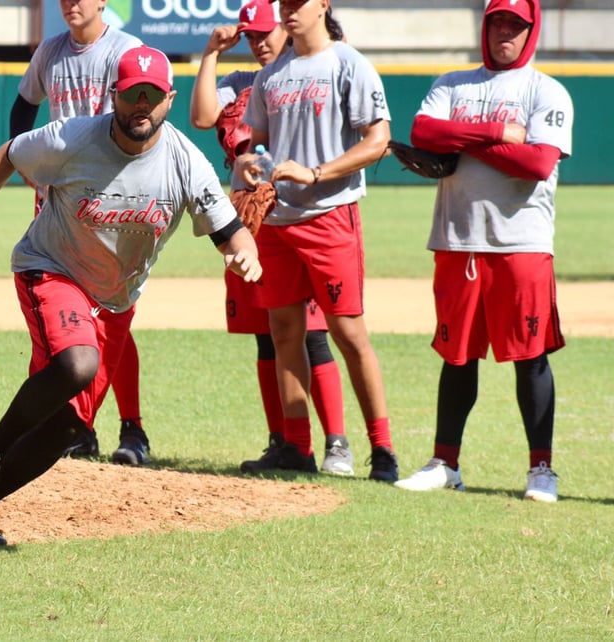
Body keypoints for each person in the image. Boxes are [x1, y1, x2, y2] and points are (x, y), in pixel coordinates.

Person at [0, 45, 262, 545]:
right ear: (113, 95)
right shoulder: (73, 137)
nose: (142, 104)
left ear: (169, 100)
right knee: (78, 365)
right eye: (132, 93)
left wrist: (245, 251)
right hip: (51, 269)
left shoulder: (185, 161)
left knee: (69, 429)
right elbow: (7, 156)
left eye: (153, 95)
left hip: (115, 301)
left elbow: (231, 229)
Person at [394, 0, 572, 502]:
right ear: (485, 27)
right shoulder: (452, 83)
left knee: (531, 357)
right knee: (457, 356)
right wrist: (494, 134)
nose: (505, 33)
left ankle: (542, 470)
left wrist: (462, 139)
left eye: (515, 25)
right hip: (457, 239)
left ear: (530, 30)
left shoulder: (546, 90)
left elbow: (537, 162)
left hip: (522, 242)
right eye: (497, 22)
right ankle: (444, 462)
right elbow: (423, 132)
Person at [233, 0, 399, 481]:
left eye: (297, 2)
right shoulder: (271, 76)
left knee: (348, 334)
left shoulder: (349, 63)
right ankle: (296, 446)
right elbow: (257, 141)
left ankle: (382, 450)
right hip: (279, 221)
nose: (288, 10)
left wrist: (316, 173)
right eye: (282, 3)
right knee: (284, 333)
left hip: (330, 217)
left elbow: (378, 140)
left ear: (323, 4)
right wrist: (248, 162)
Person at [190, 0, 352, 476]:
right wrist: (209, 55)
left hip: (301, 216)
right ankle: (284, 440)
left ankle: (337, 442)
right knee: (267, 336)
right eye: (251, 35)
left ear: (284, 27)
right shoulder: (242, 82)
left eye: (267, 32)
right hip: (251, 220)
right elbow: (201, 118)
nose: (260, 42)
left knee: (314, 334)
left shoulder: (309, 69)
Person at [9, 0, 151, 466]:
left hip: (108, 200)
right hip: (58, 200)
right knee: (57, 321)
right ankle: (64, 426)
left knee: (111, 313)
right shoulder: (50, 52)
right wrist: (28, 168)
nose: (71, 3)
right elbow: (23, 106)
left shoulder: (124, 50)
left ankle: (131, 428)